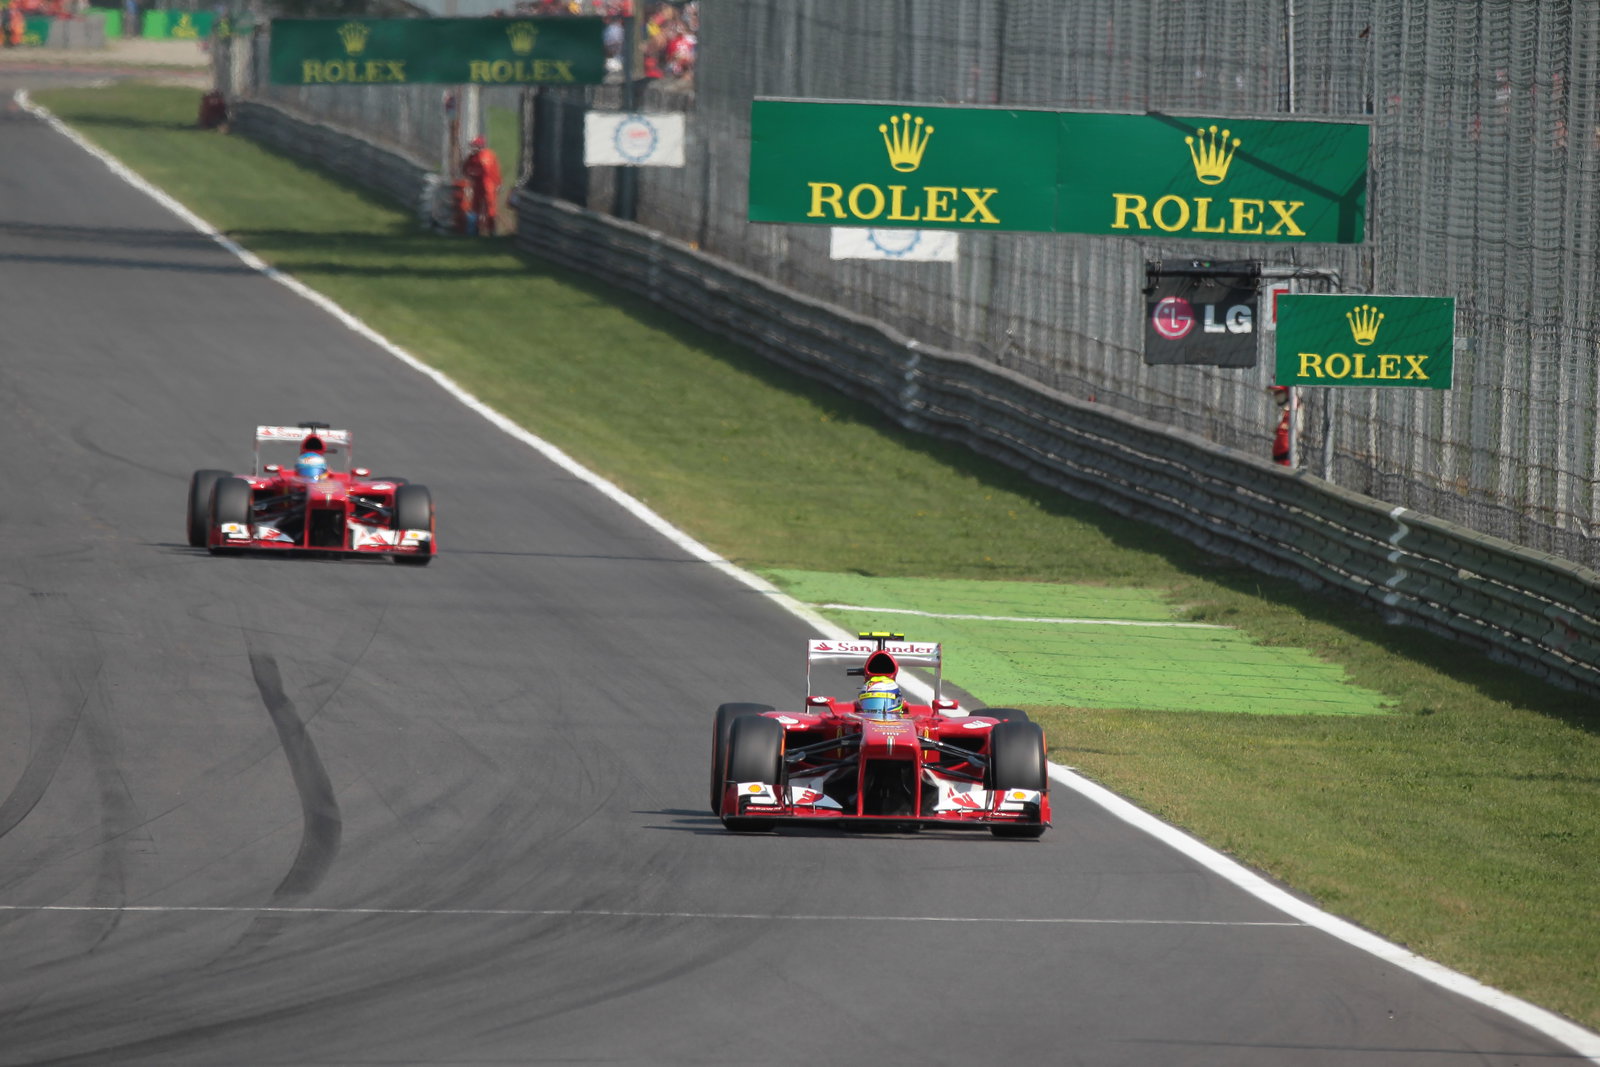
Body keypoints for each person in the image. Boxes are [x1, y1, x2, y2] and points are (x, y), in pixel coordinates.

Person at [461, 135, 502, 236]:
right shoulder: (472, 157)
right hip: (478, 185)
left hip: (489, 185)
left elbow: (487, 171)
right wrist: (471, 173)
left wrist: (498, 183)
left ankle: (491, 230)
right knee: (475, 207)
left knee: (490, 208)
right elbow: (465, 169)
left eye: (475, 146)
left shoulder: (487, 156)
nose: (473, 148)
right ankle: (476, 230)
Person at [1269, 385, 1292, 466]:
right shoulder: (1280, 411)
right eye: (1275, 393)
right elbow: (1272, 428)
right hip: (1278, 455)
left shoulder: (1293, 411)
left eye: (1278, 393)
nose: (1276, 396)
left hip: (1286, 455)